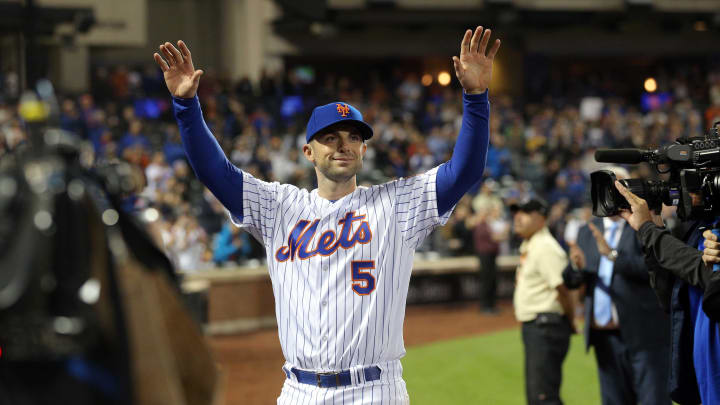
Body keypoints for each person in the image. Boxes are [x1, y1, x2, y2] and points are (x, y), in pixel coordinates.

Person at [153, 26, 500, 404]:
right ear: (308, 152)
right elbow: (215, 173)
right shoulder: (278, 207)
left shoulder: (397, 204)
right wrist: (186, 107)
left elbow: (465, 170)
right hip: (298, 390)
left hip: (373, 389)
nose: (344, 146)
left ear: (364, 151)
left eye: (354, 137)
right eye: (331, 137)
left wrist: (476, 97)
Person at [563, 167, 671, 405]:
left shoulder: (646, 225)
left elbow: (659, 269)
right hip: (604, 336)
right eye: (604, 187)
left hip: (645, 335)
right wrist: (576, 267)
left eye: (617, 185)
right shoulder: (586, 231)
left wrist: (612, 255)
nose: (610, 192)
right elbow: (571, 280)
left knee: (652, 399)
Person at [614, 181, 719, 405]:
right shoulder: (698, 228)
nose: (685, 194)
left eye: (692, 185)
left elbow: (704, 273)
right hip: (701, 366)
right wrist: (655, 227)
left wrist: (649, 231)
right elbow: (670, 295)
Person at [511, 197, 575, 405]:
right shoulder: (531, 244)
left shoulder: (545, 246)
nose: (518, 217)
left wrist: (570, 319)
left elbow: (563, 289)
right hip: (539, 326)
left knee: (543, 397)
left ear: (541, 219)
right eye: (517, 212)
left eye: (526, 213)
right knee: (539, 396)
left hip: (546, 326)